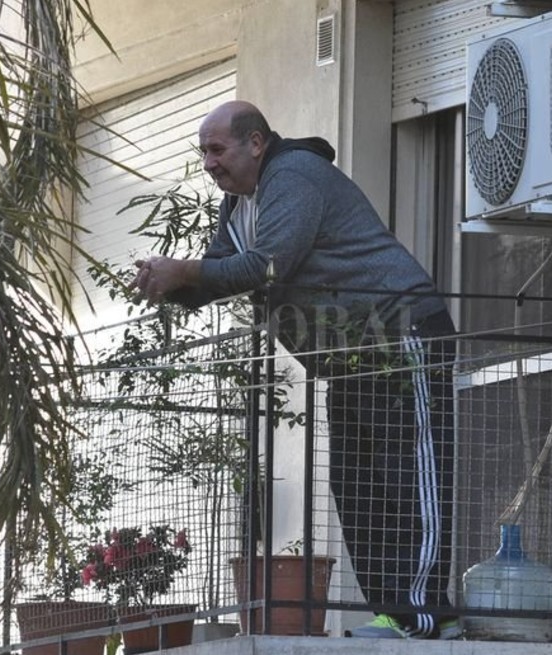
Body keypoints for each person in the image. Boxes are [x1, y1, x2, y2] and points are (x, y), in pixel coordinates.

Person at [131, 100, 459, 640]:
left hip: (400, 334)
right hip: (349, 358)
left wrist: (184, 270)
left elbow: (268, 264)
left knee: (407, 479)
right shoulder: (239, 205)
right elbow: (219, 274)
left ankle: (426, 616)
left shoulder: (295, 175)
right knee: (357, 487)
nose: (209, 163)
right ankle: (393, 615)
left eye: (217, 150)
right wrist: (166, 284)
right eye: (203, 153)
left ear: (255, 143)